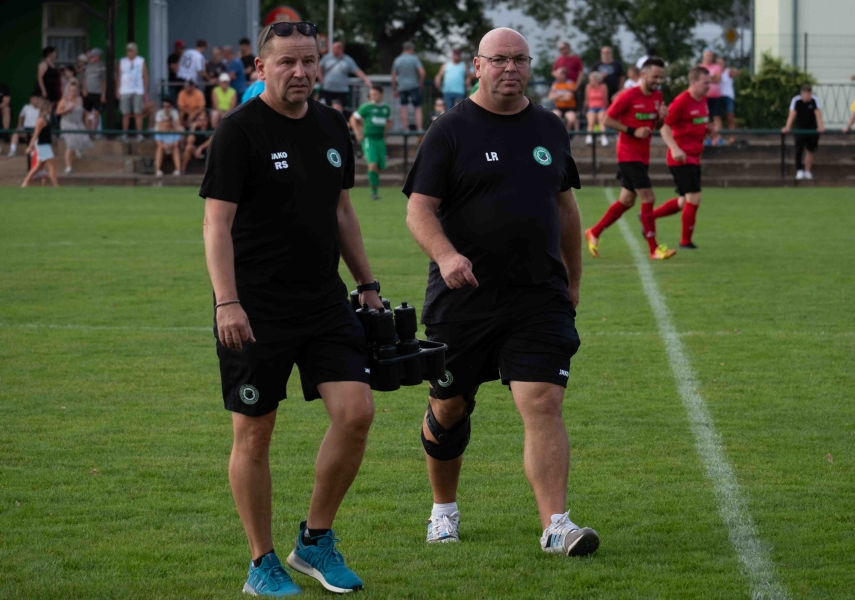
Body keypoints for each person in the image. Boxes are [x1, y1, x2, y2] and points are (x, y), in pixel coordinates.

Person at [200, 20, 381, 596]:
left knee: (356, 413)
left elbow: (342, 211)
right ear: (261, 68)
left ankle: (315, 541)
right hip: (254, 308)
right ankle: (262, 563)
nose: (300, 72)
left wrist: (367, 283)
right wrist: (227, 301)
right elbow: (216, 223)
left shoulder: (332, 124)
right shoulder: (239, 131)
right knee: (255, 434)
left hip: (324, 300)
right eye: (286, 62)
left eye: (309, 61)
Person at [403, 27, 597, 556]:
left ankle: (556, 525)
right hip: (462, 300)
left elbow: (565, 209)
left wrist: (573, 281)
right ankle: (443, 510)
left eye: (519, 59)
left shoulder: (550, 127)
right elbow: (418, 209)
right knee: (449, 408)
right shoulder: (449, 130)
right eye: (499, 59)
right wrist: (447, 256)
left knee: (543, 401)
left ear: (530, 65)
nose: (510, 68)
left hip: (537, 296)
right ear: (477, 66)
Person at [585, 57, 675, 260]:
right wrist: (633, 131)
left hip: (643, 156)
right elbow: (607, 119)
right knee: (648, 198)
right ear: (643, 75)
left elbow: (657, 126)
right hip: (628, 155)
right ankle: (654, 249)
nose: (658, 81)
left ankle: (594, 232)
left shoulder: (657, 96)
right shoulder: (628, 95)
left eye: (661, 77)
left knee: (626, 201)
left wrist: (662, 117)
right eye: (655, 77)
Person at [653, 66, 711, 249]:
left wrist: (708, 130)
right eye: (705, 82)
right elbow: (664, 126)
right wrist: (674, 148)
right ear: (693, 82)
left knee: (683, 201)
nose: (708, 86)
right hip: (681, 158)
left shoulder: (703, 100)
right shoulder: (681, 101)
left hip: (694, 156)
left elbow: (696, 124)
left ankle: (648, 217)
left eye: (709, 82)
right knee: (694, 196)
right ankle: (685, 242)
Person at [350, 84, 392, 200]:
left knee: (379, 166)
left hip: (380, 140)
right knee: (372, 164)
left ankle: (375, 188)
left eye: (375, 94)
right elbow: (353, 118)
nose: (373, 96)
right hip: (369, 139)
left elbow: (389, 121)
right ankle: (373, 192)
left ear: (381, 95)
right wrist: (358, 133)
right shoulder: (366, 107)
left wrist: (385, 132)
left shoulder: (386, 108)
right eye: (371, 94)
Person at [782, 84, 824, 180]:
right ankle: (799, 170)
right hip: (800, 130)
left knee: (810, 150)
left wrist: (820, 126)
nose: (807, 96)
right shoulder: (796, 101)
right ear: (802, 94)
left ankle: (807, 171)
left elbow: (818, 113)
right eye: (805, 94)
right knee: (798, 150)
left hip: (812, 130)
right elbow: (792, 114)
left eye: (809, 94)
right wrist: (787, 127)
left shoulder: (814, 100)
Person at [318, 40, 371, 112]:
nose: (333, 50)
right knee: (325, 109)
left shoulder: (348, 60)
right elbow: (319, 67)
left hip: (341, 90)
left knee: (338, 110)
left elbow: (357, 71)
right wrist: (320, 78)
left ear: (340, 49)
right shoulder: (327, 58)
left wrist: (365, 79)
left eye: (334, 48)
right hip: (327, 89)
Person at [57, 80, 92, 175]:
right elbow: (58, 112)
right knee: (71, 145)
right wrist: (69, 109)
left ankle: (78, 149)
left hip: (78, 123)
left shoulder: (80, 99)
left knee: (83, 139)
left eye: (75, 90)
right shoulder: (64, 100)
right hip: (67, 124)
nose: (73, 92)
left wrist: (87, 113)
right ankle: (68, 167)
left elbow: (81, 109)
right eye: (71, 90)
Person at [21, 100, 58, 188]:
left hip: (46, 145)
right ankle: (56, 186)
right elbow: (35, 134)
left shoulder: (46, 119)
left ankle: (25, 183)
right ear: (46, 108)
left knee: (37, 167)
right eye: (49, 107)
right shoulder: (41, 120)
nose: (51, 109)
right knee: (51, 165)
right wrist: (30, 146)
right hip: (43, 145)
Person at [391, 41, 426, 131]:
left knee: (403, 107)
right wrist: (421, 82)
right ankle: (419, 128)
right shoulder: (414, 59)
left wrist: (394, 89)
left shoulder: (397, 60)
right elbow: (422, 72)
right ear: (410, 49)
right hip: (414, 86)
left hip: (402, 87)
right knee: (417, 107)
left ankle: (406, 128)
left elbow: (393, 76)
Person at [118, 42, 149, 142]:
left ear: (136, 51)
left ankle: (139, 134)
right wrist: (117, 89)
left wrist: (145, 90)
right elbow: (118, 76)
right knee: (125, 113)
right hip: (124, 90)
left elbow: (145, 76)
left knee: (138, 113)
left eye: (131, 50)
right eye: (128, 50)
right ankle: (124, 134)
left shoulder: (141, 60)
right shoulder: (122, 61)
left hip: (138, 90)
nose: (129, 52)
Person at [153, 98, 183, 176]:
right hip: (163, 147)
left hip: (172, 147)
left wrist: (171, 145)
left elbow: (176, 143)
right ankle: (157, 171)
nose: (166, 123)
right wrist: (164, 146)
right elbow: (159, 143)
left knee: (175, 148)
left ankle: (178, 170)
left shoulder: (174, 114)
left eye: (167, 121)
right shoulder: (159, 114)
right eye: (164, 121)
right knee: (159, 148)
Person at [700, 49, 723, 145]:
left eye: (711, 55)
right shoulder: (700, 67)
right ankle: (707, 138)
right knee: (705, 118)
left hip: (716, 96)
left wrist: (707, 78)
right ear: (703, 56)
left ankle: (718, 137)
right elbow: (700, 81)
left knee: (717, 117)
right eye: (708, 55)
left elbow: (718, 79)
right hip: (704, 97)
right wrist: (712, 77)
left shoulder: (717, 67)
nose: (709, 57)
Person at [9, 93, 42, 157]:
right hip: (26, 129)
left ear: (39, 99)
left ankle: (34, 152)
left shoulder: (42, 109)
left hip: (36, 130)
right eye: (32, 99)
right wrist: (19, 125)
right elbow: (21, 116)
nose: (34, 100)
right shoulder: (26, 107)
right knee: (16, 132)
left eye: (36, 99)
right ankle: (12, 150)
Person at [82, 48, 106, 132]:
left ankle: (93, 133)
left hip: (97, 93)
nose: (92, 58)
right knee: (87, 113)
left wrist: (103, 94)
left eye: (93, 56)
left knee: (96, 114)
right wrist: (84, 89)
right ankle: (87, 133)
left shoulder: (102, 66)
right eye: (91, 56)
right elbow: (84, 79)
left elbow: (104, 81)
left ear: (98, 57)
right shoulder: (88, 66)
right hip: (88, 93)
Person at [717, 57, 739, 144]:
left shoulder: (727, 71)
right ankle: (719, 136)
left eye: (721, 63)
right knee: (718, 118)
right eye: (718, 63)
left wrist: (734, 71)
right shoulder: (715, 73)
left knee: (730, 117)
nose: (719, 65)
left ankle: (732, 136)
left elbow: (737, 73)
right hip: (718, 96)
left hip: (728, 96)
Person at [583, 71, 609, 146]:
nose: (589, 81)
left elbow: (605, 99)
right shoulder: (588, 87)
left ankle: (603, 138)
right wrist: (586, 108)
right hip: (591, 108)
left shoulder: (603, 87)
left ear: (596, 80)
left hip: (601, 107)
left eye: (591, 79)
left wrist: (605, 109)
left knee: (601, 120)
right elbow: (587, 100)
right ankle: (589, 137)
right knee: (591, 121)